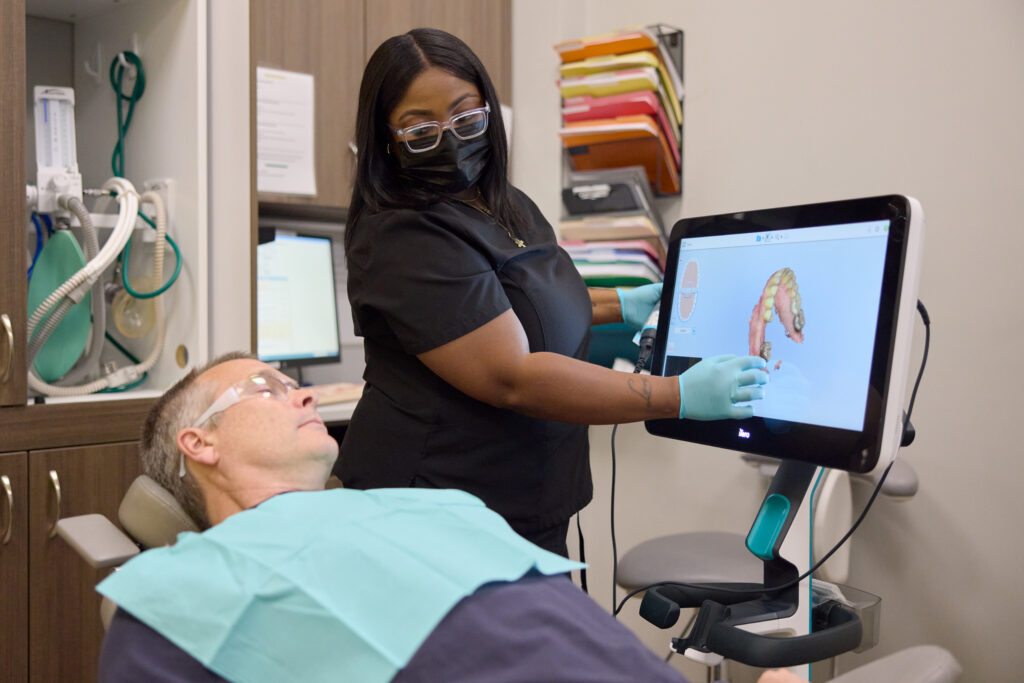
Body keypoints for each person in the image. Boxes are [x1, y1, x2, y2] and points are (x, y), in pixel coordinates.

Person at [96, 353, 801, 683]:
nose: (302, 394)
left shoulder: (418, 504)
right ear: (199, 443)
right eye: (265, 387)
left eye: (292, 381)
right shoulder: (185, 592)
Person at [339, 27, 769, 556]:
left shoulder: (505, 203)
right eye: (421, 130)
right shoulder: (403, 235)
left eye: (467, 119)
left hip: (528, 495)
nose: (451, 142)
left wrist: (621, 303)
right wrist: (675, 395)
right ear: (386, 139)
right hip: (436, 505)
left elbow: (526, 300)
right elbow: (511, 375)